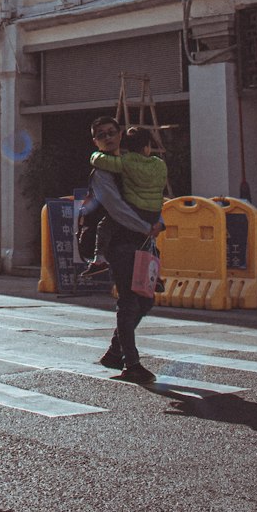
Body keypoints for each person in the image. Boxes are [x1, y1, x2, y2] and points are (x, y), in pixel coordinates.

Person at [86, 116, 165, 385]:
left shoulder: (130, 165)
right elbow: (116, 208)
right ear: (95, 141)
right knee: (129, 301)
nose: (107, 138)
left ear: (120, 135)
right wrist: (146, 226)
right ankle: (131, 364)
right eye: (101, 135)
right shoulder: (102, 172)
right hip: (121, 243)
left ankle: (115, 351)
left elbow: (151, 195)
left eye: (111, 132)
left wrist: (157, 223)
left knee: (146, 300)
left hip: (143, 242)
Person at [82, 125, 167, 278]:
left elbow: (103, 162)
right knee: (148, 244)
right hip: (154, 212)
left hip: (135, 210)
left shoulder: (125, 163)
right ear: (147, 147)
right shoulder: (160, 165)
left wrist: (94, 155)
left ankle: (98, 259)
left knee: (105, 226)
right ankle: (156, 276)